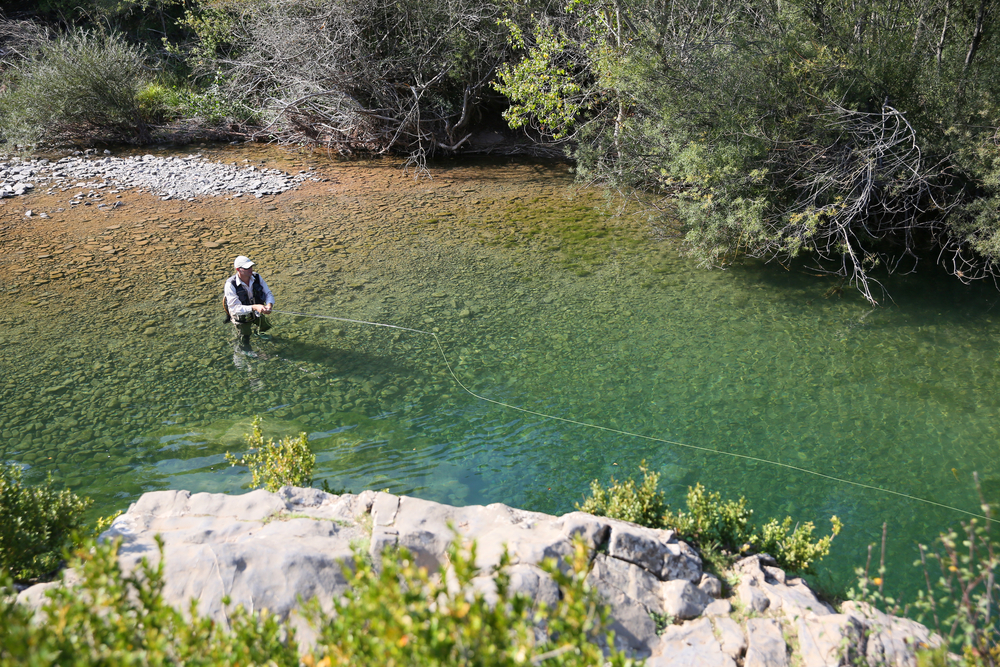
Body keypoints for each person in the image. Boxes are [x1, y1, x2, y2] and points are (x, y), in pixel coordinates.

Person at [224, 255, 275, 350]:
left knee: (266, 326)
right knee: (245, 337)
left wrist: (269, 304)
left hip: (256, 312)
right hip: (241, 317)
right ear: (238, 269)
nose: (250, 269)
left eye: (251, 266)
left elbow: (268, 293)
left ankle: (258, 333)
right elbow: (234, 308)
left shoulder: (257, 277)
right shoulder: (230, 284)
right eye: (247, 268)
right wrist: (254, 307)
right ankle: (246, 351)